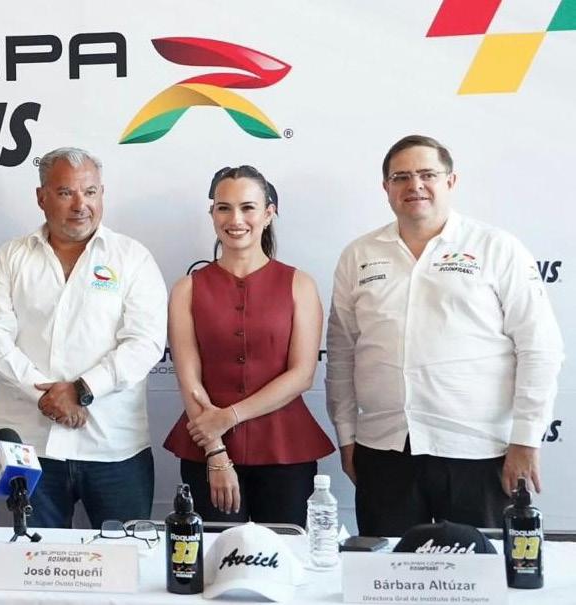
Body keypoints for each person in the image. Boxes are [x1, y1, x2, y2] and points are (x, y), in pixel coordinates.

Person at [326, 135, 564, 536]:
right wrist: (347, 437)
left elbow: (539, 347)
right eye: (401, 177)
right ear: (386, 188)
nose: (414, 185)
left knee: (481, 570)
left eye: (427, 174)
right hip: (385, 450)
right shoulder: (359, 254)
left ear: (451, 181)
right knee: (386, 571)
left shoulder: (496, 248)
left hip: (479, 451)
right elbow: (341, 352)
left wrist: (526, 439)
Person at [0, 147, 167, 528]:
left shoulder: (132, 258)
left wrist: (82, 389)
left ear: (102, 193)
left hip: (113, 446)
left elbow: (144, 343)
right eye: (65, 193)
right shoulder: (10, 257)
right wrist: (46, 396)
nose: (81, 205)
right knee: (31, 557)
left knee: (125, 556)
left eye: (90, 192)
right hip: (27, 442)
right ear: (41, 197)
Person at [162, 165, 333, 527]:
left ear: (268, 214)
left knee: (286, 553)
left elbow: (302, 374)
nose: (235, 219)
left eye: (247, 207)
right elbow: (189, 380)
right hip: (206, 449)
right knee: (214, 554)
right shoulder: (187, 289)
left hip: (287, 449)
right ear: (212, 214)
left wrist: (230, 416)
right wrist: (216, 452)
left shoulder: (299, 284)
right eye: (224, 208)